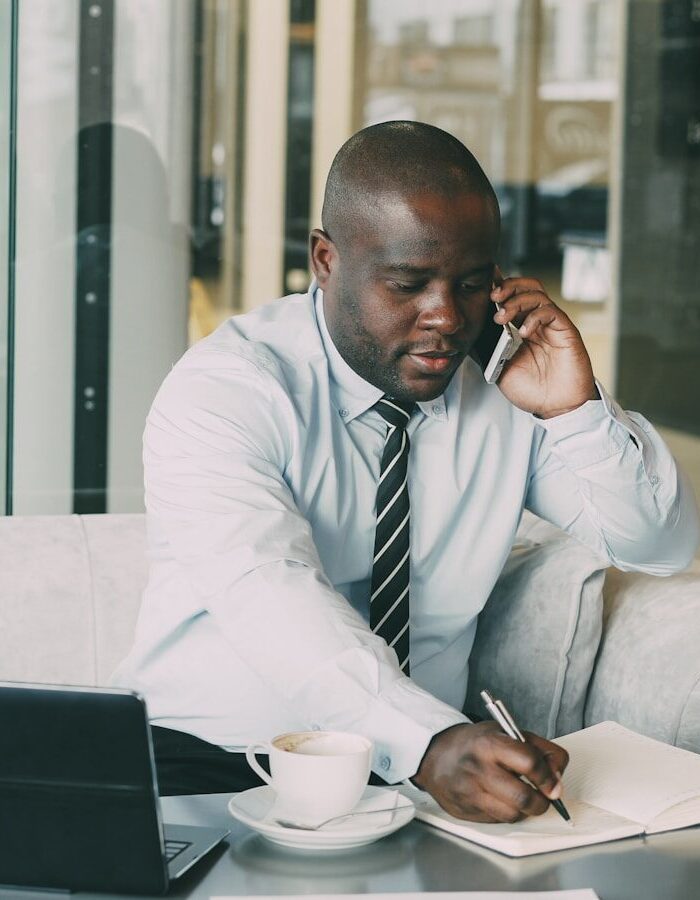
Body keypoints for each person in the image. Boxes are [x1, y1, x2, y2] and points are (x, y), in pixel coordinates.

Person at [112, 121, 699, 823]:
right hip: (209, 765)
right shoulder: (225, 391)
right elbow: (269, 593)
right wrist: (427, 741)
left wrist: (574, 411)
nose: (446, 317)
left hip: (410, 790)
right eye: (408, 284)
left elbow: (659, 548)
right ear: (326, 260)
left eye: (473, 283)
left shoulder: (505, 383)